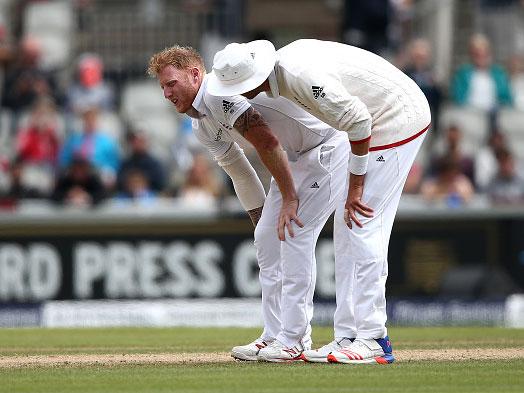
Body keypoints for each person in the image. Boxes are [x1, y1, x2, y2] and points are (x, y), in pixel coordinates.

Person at [208, 38, 431, 364]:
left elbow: (358, 122)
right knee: (347, 224)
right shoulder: (282, 76)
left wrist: (354, 190)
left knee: (362, 220)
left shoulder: (300, 76)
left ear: (254, 80)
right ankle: (348, 335)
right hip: (376, 117)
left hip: (396, 117)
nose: (237, 96)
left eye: (238, 88)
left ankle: (374, 337)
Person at [147, 45, 350, 362]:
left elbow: (267, 141)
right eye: (162, 87)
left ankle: (295, 340)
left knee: (294, 234)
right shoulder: (202, 124)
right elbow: (239, 172)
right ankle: (274, 334)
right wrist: (262, 222)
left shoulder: (217, 94)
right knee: (268, 237)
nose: (166, 93)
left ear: (195, 74)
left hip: (327, 146)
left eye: (171, 83)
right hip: (295, 159)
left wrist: (290, 199)